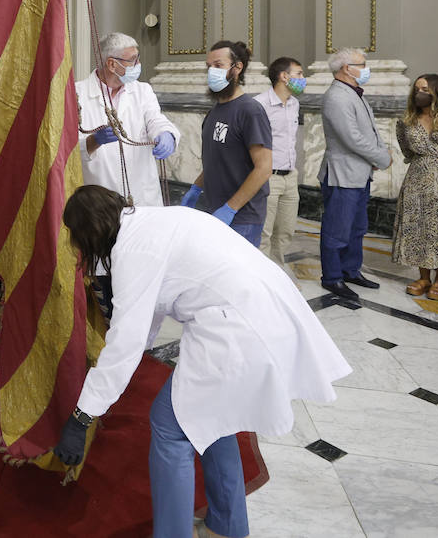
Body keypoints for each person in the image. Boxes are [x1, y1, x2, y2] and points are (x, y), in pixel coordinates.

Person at [52, 186, 350, 538]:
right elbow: (144, 322)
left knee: (170, 426)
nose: (74, 247)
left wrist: (82, 415)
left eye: (73, 237)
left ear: (88, 232)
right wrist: (119, 373)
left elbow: (127, 340)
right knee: (211, 418)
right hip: (261, 305)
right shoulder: (150, 222)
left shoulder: (133, 250)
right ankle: (227, 527)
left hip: (238, 323)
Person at [180, 41, 272, 248]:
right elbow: (217, 159)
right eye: (209, 66)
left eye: (218, 65)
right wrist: (196, 188)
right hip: (214, 210)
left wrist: (230, 208)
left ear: (237, 68)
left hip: (242, 217)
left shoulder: (250, 111)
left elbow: (264, 168)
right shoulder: (215, 111)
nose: (211, 71)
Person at [318, 48, 392, 298]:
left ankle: (350, 270)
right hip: (342, 174)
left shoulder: (353, 93)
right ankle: (332, 277)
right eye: (361, 64)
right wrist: (381, 157)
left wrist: (377, 155)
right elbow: (352, 138)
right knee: (337, 228)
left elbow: (369, 131)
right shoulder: (337, 97)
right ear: (347, 68)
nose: (366, 68)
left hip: (359, 172)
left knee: (357, 227)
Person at [76, 32, 180, 207]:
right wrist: (94, 140)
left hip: (143, 197)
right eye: (133, 60)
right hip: (100, 200)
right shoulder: (77, 93)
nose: (138, 65)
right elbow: (67, 150)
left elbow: (155, 119)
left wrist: (165, 133)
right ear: (111, 64)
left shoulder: (142, 91)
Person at [391, 74, 438, 300]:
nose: (420, 93)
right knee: (418, 228)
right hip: (417, 180)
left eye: (426, 89)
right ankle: (423, 277)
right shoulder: (407, 119)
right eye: (417, 88)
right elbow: (406, 149)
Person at [253, 57, 305, 264]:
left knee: (285, 231)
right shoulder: (259, 105)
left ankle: (278, 273)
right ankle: (261, 277)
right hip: (268, 176)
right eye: (299, 73)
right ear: (284, 76)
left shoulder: (294, 104)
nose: (303, 78)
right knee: (264, 232)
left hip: (290, 176)